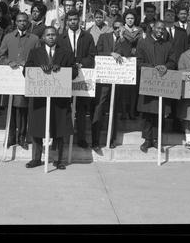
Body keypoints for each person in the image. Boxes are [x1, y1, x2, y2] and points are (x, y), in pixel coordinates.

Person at [24, 26, 77, 170]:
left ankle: (58, 160)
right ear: (43, 37)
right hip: (40, 97)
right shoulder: (35, 53)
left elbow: (74, 72)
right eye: (48, 35)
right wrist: (39, 69)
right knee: (37, 127)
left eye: (53, 34)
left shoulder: (66, 53)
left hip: (59, 98)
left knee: (59, 128)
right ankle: (36, 158)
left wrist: (61, 69)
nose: (51, 37)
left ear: (57, 36)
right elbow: (26, 71)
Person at [0, 12, 40, 149]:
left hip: (25, 79)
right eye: (19, 21)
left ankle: (21, 137)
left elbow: (39, 58)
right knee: (10, 108)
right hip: (10, 79)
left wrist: (28, 63)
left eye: (24, 21)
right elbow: (0, 56)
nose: (22, 23)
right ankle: (11, 137)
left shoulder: (34, 39)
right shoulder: (8, 37)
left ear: (28, 22)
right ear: (15, 22)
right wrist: (9, 62)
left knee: (22, 109)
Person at [136, 20, 178, 152]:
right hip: (148, 82)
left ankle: (156, 139)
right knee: (147, 113)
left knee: (159, 112)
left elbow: (173, 61)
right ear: (152, 28)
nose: (160, 31)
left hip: (162, 83)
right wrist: (153, 68)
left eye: (163, 29)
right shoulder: (143, 43)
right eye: (158, 28)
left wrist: (166, 67)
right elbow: (139, 62)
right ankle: (147, 139)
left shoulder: (168, 44)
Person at [58, 9, 96, 149]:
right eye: (70, 20)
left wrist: (81, 63)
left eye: (75, 19)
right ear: (67, 21)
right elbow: (57, 55)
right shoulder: (60, 38)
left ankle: (81, 138)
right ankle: (61, 137)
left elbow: (92, 56)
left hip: (82, 76)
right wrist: (68, 64)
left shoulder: (88, 37)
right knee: (63, 107)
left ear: (79, 20)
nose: (73, 22)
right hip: (65, 76)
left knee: (81, 109)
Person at [94, 18, 132, 150]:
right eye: (115, 28)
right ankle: (95, 140)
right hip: (104, 80)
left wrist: (122, 38)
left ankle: (111, 139)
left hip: (117, 80)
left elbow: (128, 54)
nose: (117, 30)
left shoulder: (125, 40)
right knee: (99, 107)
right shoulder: (104, 37)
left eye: (120, 28)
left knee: (114, 109)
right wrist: (111, 54)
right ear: (112, 28)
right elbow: (97, 52)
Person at [119, 9, 141, 120]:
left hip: (135, 61)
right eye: (128, 18)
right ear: (125, 19)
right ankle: (123, 112)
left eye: (132, 18)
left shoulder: (139, 30)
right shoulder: (121, 30)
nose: (130, 20)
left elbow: (141, 44)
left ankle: (132, 111)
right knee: (124, 88)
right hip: (124, 61)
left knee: (134, 89)